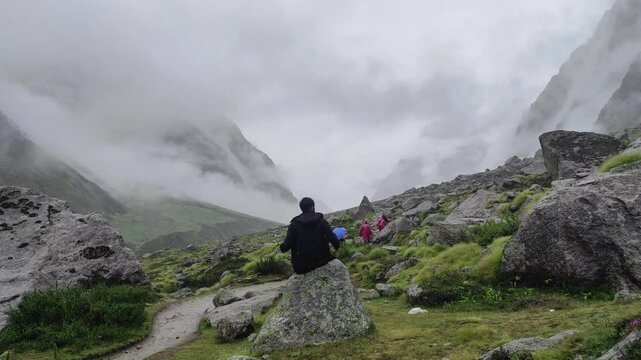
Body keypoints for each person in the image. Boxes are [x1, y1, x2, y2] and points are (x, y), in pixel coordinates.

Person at [280, 197, 341, 274]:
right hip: (322, 260)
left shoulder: (294, 224)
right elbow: (333, 239)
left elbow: (286, 246)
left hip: (302, 266)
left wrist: (281, 247)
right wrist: (337, 247)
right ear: (312, 207)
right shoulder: (321, 221)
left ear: (301, 208)